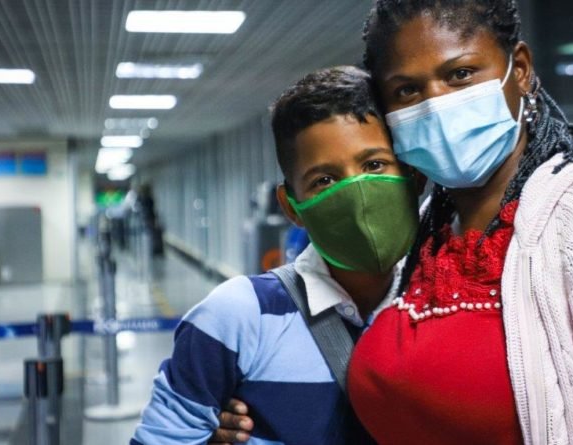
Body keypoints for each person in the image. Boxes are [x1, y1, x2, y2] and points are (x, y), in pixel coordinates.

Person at [344, 1, 573, 444]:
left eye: (460, 74)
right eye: (407, 90)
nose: (437, 103)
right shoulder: (427, 231)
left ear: (519, 70)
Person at [131, 66, 419, 445]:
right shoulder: (237, 316)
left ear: (413, 172)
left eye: (374, 165)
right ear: (291, 206)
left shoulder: (453, 303)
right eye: (324, 180)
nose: (358, 194)